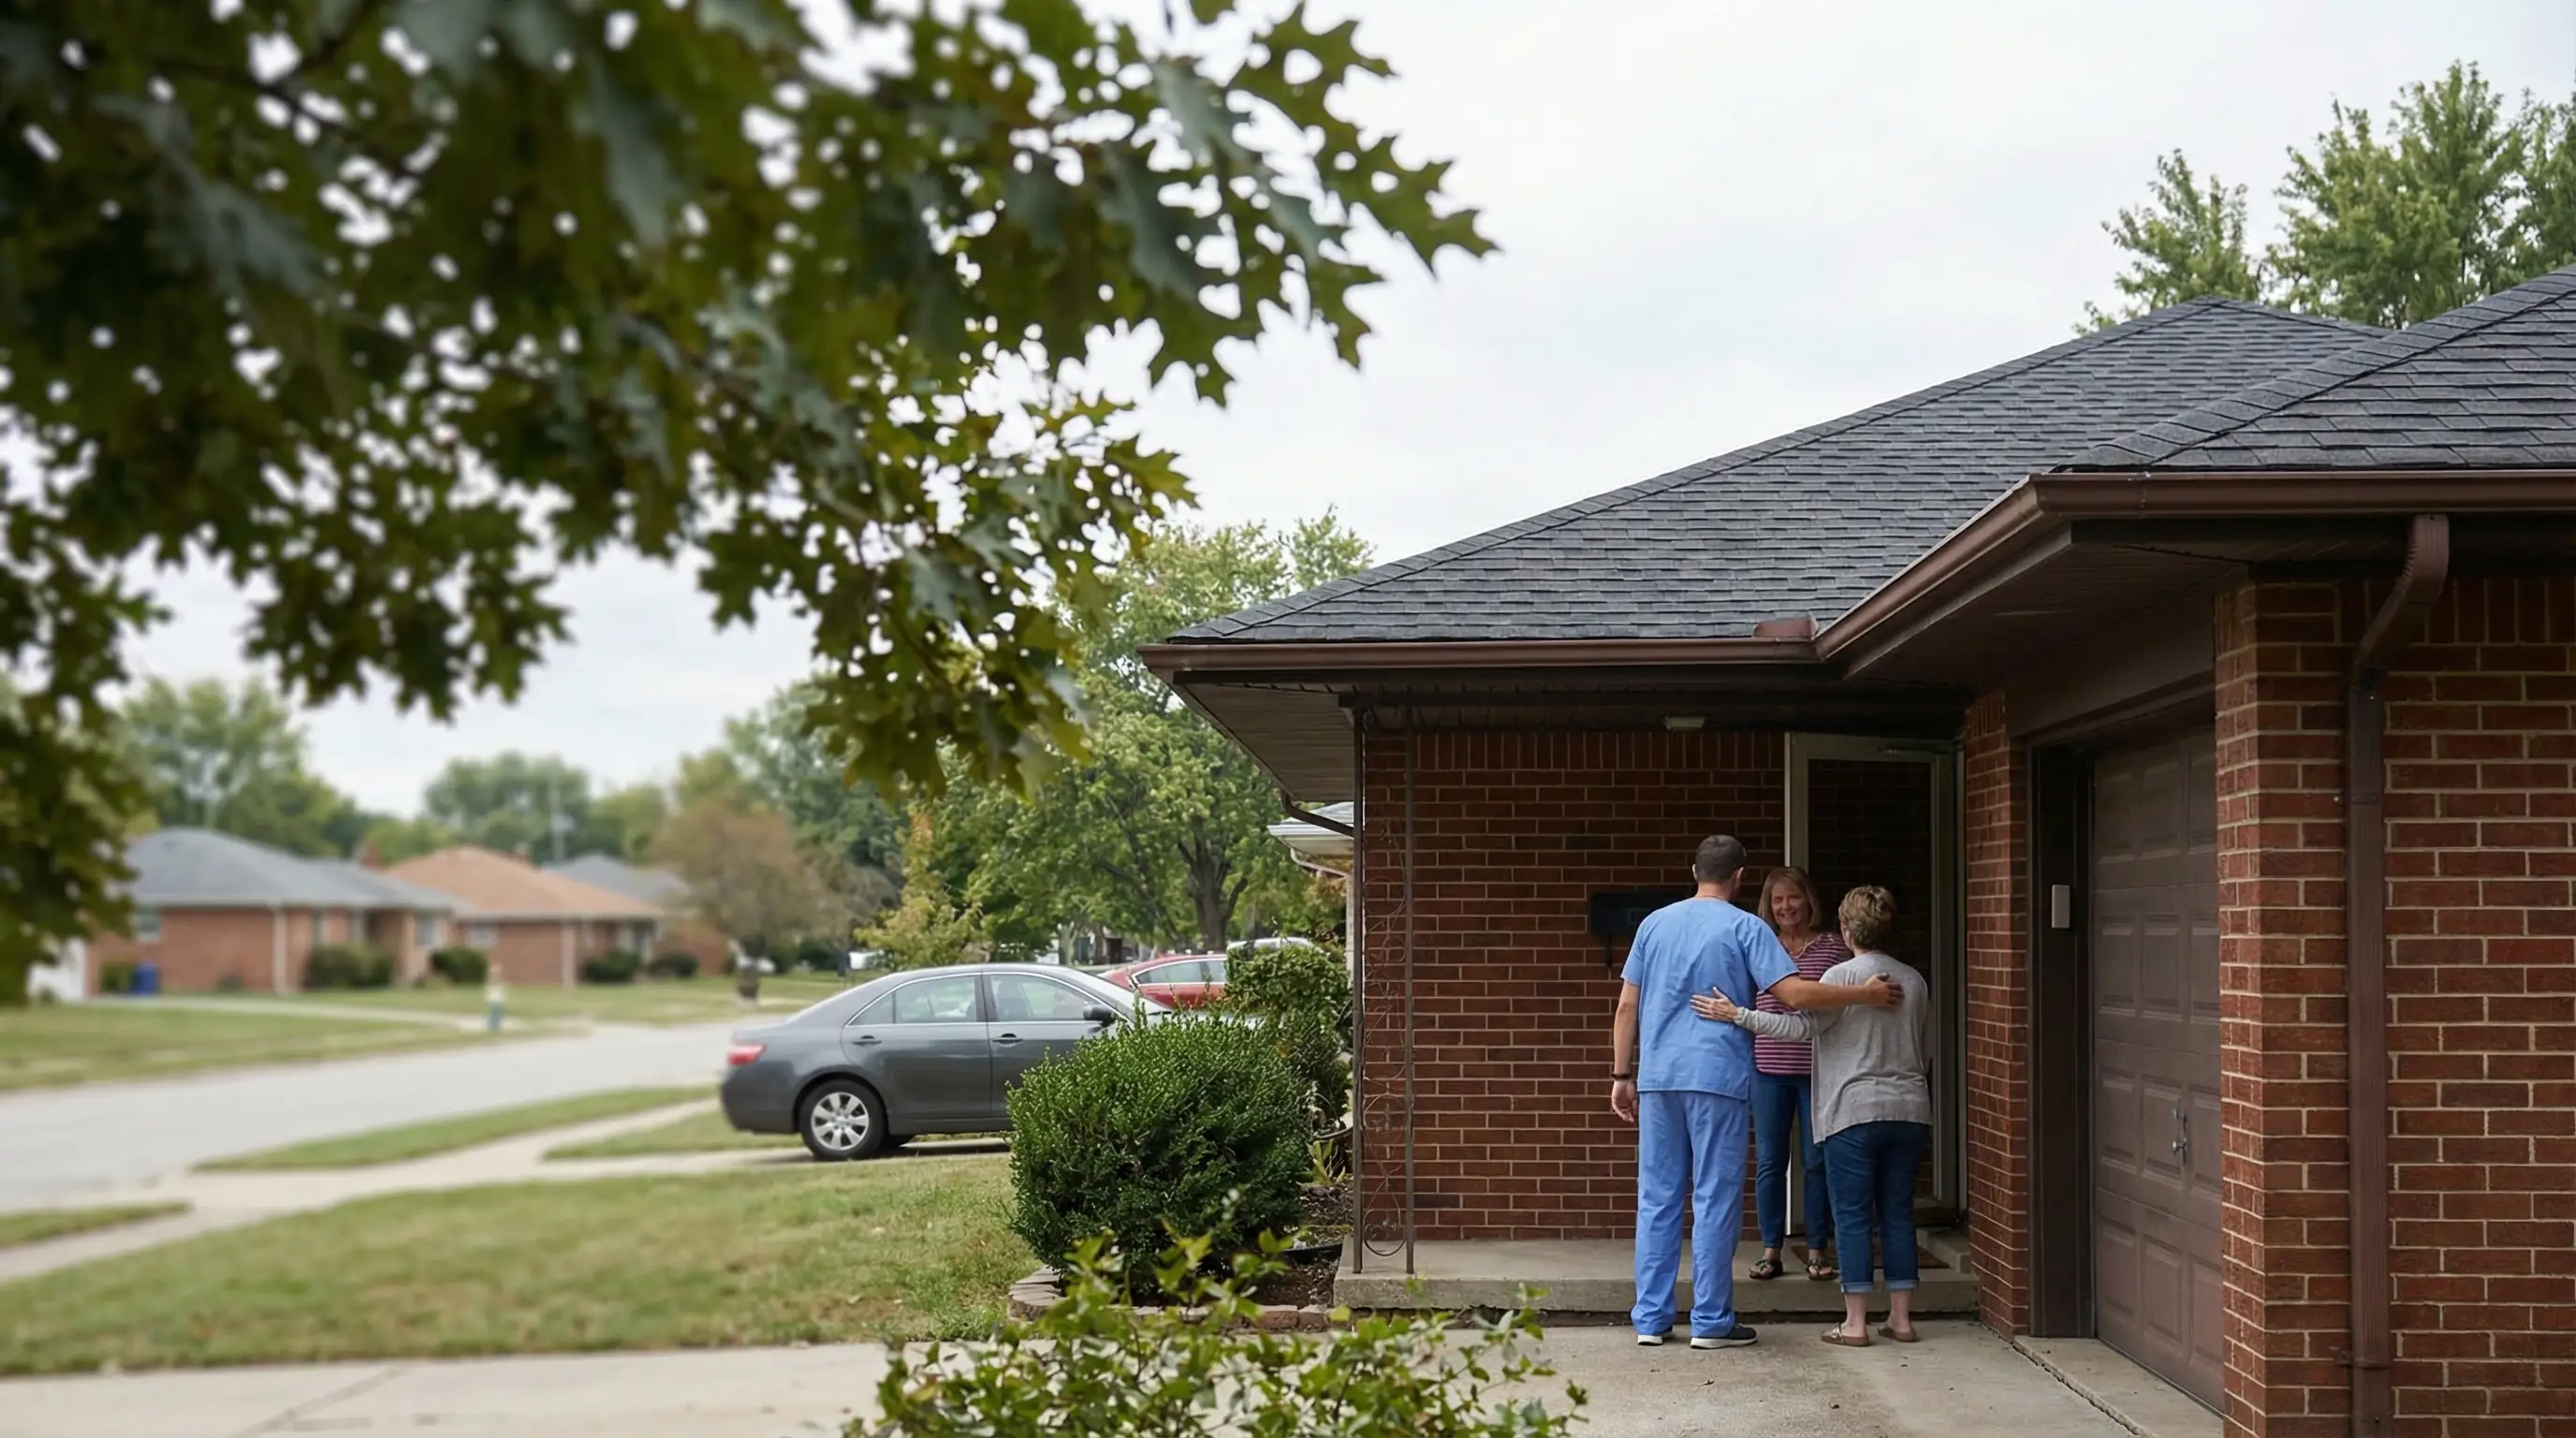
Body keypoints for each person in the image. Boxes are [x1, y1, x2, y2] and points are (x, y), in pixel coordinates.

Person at [1610, 837, 1899, 1351]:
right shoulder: (1746, 927)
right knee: (1714, 1199)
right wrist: (1862, 993)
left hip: (1658, 1078)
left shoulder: (1653, 924)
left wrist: (1621, 1076)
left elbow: (1627, 1006)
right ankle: (1711, 1321)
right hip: (1717, 1079)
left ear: (1695, 870)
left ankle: (1651, 1320)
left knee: (1657, 1198)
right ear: (1740, 877)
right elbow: (1793, 995)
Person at [1695, 885, 1932, 1347]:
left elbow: (1799, 1029)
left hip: (1851, 1110)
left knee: (1853, 1215)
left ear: (1845, 930)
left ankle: (1857, 1323)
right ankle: (1901, 1320)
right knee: (1899, 1214)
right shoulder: (1915, 980)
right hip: (1909, 1109)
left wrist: (1739, 1015)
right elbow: (1925, 1049)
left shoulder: (1839, 978)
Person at [1746, 867, 1850, 1284]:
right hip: (1768, 1070)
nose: (1785, 906)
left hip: (1817, 1071)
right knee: (1771, 1161)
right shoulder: (1759, 945)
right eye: (1777, 900)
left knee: (1817, 1160)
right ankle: (1771, 1250)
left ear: (1809, 900)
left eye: (1793, 897)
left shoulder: (1834, 949)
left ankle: (1817, 1249)